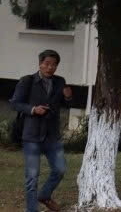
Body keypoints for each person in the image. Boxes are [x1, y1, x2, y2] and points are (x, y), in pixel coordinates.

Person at [10, 49, 72, 212]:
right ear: (40, 64)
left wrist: (67, 97)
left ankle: (44, 195)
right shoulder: (27, 81)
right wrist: (32, 109)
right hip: (32, 136)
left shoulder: (60, 81)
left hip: (52, 136)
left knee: (60, 169)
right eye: (47, 64)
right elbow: (15, 103)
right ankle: (32, 210)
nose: (50, 67)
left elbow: (64, 105)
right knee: (32, 178)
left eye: (54, 65)